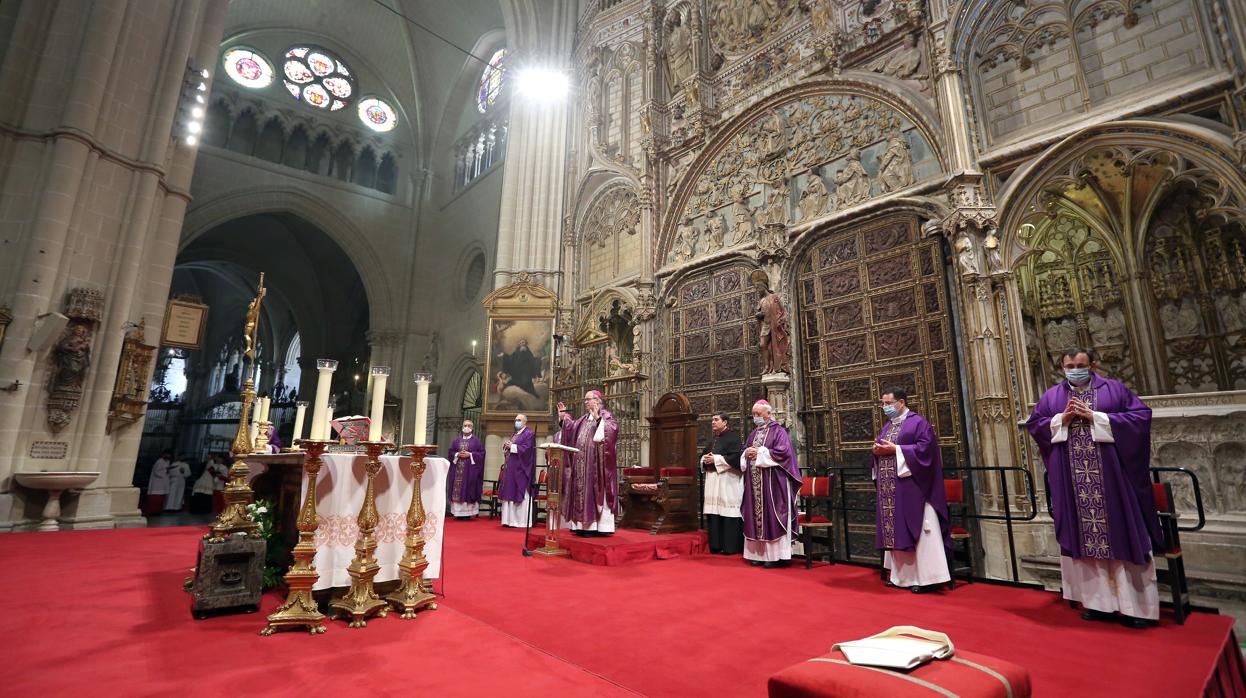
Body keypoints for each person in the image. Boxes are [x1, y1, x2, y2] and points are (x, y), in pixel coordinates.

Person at [1026, 347, 1163, 628]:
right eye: (1068, 365)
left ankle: (1135, 608)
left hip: (1112, 481)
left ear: (1093, 365)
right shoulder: (1053, 397)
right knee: (1085, 539)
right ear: (1061, 367)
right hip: (1074, 483)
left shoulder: (1114, 390)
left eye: (1080, 364)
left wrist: (1097, 418)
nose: (1074, 369)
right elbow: (1036, 425)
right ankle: (1098, 604)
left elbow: (1140, 418)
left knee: (1122, 531)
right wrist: (1060, 420)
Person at [871, 387, 952, 593]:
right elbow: (884, 449)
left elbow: (927, 452)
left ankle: (928, 579)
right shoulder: (888, 426)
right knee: (896, 529)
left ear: (901, 402)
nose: (885, 407)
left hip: (915, 490)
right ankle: (901, 577)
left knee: (921, 532)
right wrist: (877, 452)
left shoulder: (919, 423)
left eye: (888, 403)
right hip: (893, 489)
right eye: (883, 403)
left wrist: (896, 450)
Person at [741, 399, 800, 567]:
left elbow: (784, 453)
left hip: (774, 483)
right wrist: (746, 453)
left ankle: (776, 556)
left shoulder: (779, 431)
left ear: (768, 413)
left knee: (773, 516)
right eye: (753, 414)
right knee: (756, 517)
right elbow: (744, 451)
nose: (755, 417)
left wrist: (759, 452)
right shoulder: (753, 433)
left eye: (758, 414)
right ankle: (760, 555)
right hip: (755, 484)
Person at [557, 390, 619, 537]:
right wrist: (563, 418)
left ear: (597, 401)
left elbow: (612, 431)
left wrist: (598, 418)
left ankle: (597, 527)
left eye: (588, 399)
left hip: (596, 466)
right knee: (580, 493)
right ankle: (580, 526)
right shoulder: (584, 419)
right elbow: (571, 430)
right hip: (580, 465)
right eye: (585, 400)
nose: (585, 402)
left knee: (593, 492)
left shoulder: (606, 416)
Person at [700, 412, 744, 555]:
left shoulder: (733, 438)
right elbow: (704, 455)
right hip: (713, 481)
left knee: (728, 513)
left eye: (716, 420)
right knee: (715, 513)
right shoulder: (714, 439)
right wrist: (704, 459)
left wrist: (716, 460)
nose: (712, 422)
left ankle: (730, 547)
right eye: (712, 420)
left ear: (725, 422)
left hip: (728, 481)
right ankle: (716, 546)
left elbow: (736, 458)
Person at [499, 413, 537, 528]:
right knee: (509, 492)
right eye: (516, 420)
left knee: (520, 493)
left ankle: (520, 521)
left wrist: (513, 447)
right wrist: (507, 447)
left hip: (521, 470)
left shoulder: (529, 434)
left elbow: (528, 450)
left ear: (525, 422)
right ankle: (509, 521)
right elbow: (511, 448)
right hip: (511, 470)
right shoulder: (515, 434)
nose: (517, 422)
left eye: (519, 420)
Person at [447, 419, 486, 520]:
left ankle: (467, 514)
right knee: (458, 490)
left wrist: (470, 454)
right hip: (457, 470)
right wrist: (457, 454)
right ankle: (457, 513)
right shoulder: (456, 440)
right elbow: (451, 452)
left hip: (470, 471)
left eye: (469, 425)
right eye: (465, 425)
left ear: (472, 428)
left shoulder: (476, 441)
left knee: (468, 488)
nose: (467, 427)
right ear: (462, 427)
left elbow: (482, 454)